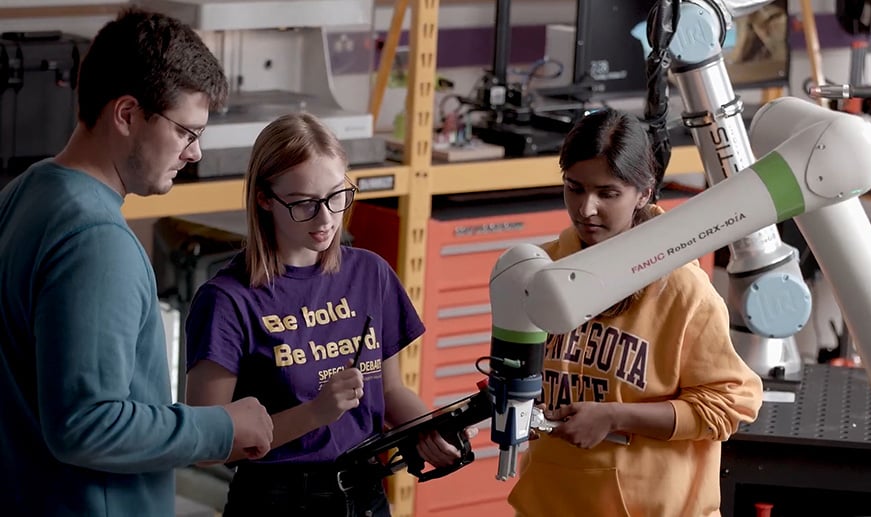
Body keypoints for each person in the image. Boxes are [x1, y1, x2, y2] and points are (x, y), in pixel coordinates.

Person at [0, 8, 275, 516]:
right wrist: (222, 428)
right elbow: (86, 425)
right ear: (127, 114)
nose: (194, 153)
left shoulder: (27, 190)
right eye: (186, 132)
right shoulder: (97, 241)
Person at [184, 112, 472, 516]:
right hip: (277, 501)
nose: (326, 220)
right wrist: (315, 414)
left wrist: (431, 428)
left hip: (366, 494)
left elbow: (389, 392)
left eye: (337, 196)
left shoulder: (370, 273)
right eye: (305, 204)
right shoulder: (227, 301)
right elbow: (204, 446)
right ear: (265, 198)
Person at [507, 109, 764, 517]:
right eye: (574, 188)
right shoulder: (538, 270)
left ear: (644, 193)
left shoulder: (683, 289)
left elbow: (730, 405)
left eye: (607, 194)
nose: (586, 209)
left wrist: (615, 416)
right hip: (548, 504)